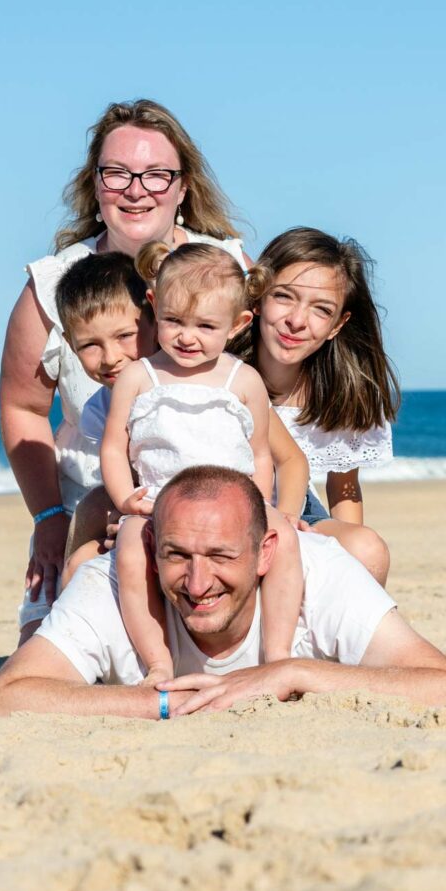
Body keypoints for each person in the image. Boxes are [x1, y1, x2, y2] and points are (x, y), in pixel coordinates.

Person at [0, 98, 248, 623]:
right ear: (95, 185)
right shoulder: (51, 285)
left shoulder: (226, 269)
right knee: (45, 655)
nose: (136, 190)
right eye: (117, 173)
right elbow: (23, 409)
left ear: (183, 187)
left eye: (157, 175)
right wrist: (49, 519)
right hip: (87, 504)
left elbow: (269, 388)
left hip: (212, 503)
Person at [0, 466, 446, 719]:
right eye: (176, 556)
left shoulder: (321, 572)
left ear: (266, 553)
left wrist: (290, 672)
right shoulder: (107, 585)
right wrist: (162, 705)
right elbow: (2, 699)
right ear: (150, 546)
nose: (197, 585)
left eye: (220, 557)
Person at [100, 242, 306, 683]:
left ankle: (278, 652)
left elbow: (259, 454)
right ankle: (156, 660)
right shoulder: (140, 377)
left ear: (238, 324)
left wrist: (262, 506)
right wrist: (125, 499)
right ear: (153, 306)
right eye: (173, 321)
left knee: (283, 537)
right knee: (131, 550)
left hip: (231, 509)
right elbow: (115, 446)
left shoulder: (243, 380)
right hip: (158, 505)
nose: (186, 336)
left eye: (205, 326)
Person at [232, 227, 400, 585]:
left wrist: (350, 564)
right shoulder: (220, 367)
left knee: (367, 548)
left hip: (298, 512)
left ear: (338, 325)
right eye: (284, 297)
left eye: (321, 309)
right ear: (258, 297)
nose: (296, 320)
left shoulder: (342, 392)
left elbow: (344, 488)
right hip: (222, 504)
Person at [17, 251, 155, 642]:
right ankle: (71, 621)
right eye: (90, 345)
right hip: (137, 504)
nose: (111, 358)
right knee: (91, 518)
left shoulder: (178, 383)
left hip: (186, 502)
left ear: (152, 317)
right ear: (68, 344)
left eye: (125, 336)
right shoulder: (101, 407)